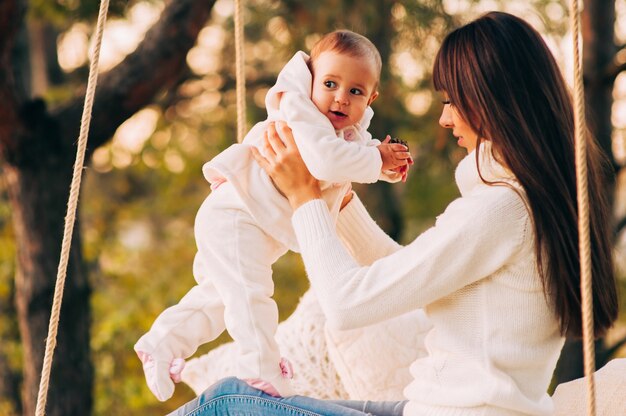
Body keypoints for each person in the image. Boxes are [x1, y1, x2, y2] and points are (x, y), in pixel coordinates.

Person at [168, 11, 619, 416]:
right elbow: (405, 274)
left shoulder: (502, 208)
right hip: (434, 408)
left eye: (452, 100)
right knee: (251, 401)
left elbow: (347, 305)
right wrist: (337, 199)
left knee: (228, 403)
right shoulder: (531, 200)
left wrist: (305, 195)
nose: (445, 119)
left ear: (491, 101)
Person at [134, 30, 412, 402]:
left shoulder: (347, 132)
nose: (341, 97)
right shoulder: (300, 109)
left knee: (219, 300)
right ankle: (261, 368)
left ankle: (162, 342)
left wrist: (385, 161)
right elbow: (326, 160)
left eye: (356, 92)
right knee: (251, 296)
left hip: (254, 225)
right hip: (236, 215)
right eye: (330, 83)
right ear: (310, 78)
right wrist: (377, 161)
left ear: (371, 97)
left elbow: (346, 160)